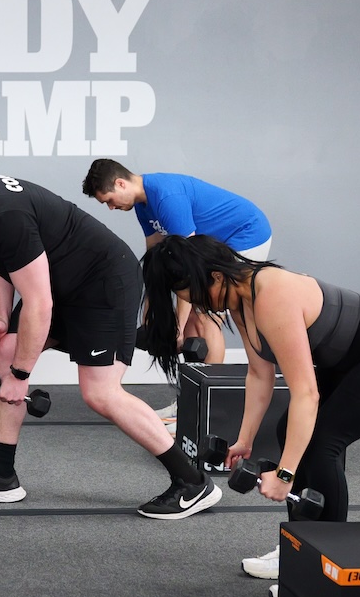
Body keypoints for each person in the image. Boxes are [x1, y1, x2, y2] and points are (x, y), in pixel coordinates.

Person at [0, 147, 222, 520]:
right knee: (4, 350)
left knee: (100, 393)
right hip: (58, 285)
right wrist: (2, 316)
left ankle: (193, 483)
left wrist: (20, 377)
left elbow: (39, 306)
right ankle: (1, 475)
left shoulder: (6, 214)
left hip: (102, 283)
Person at [140, 234, 360, 597]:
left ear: (216, 278)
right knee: (291, 432)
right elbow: (259, 373)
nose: (202, 308)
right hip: (352, 354)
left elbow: (306, 393)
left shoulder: (270, 293)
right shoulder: (239, 298)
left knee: (321, 444)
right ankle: (300, 550)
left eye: (199, 298)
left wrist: (285, 474)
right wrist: (245, 439)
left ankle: (327, 573)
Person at [82, 160, 273, 430]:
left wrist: (177, 330)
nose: (111, 208)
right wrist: (150, 312)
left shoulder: (167, 197)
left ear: (120, 183)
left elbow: (188, 270)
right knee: (199, 317)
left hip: (245, 236)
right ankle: (189, 402)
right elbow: (156, 262)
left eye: (109, 200)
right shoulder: (143, 205)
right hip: (215, 245)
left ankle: (206, 405)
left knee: (207, 317)